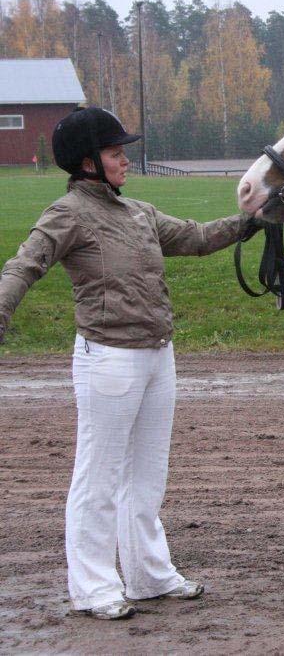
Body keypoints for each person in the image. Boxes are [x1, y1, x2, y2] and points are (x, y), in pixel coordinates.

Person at [0, 107, 254, 620]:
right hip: (108, 359)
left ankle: (147, 575)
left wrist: (253, 222)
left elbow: (199, 238)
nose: (124, 162)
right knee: (98, 475)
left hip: (159, 354)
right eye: (116, 154)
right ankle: (93, 587)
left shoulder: (139, 212)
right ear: (88, 163)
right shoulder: (67, 214)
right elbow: (25, 264)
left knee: (146, 474)